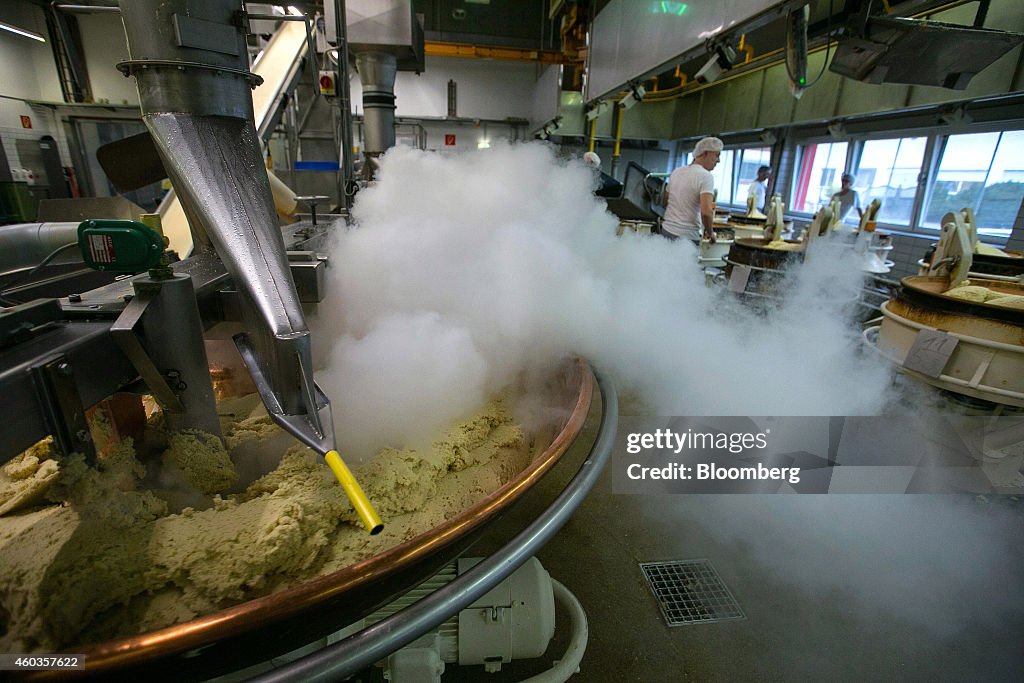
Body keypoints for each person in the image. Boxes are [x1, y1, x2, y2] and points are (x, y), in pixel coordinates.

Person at [661, 136, 723, 242]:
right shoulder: (706, 176)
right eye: (716, 155)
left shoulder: (677, 172)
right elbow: (706, 212)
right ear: (705, 153)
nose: (718, 160)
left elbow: (665, 201)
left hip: (666, 231)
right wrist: (710, 233)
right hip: (686, 236)